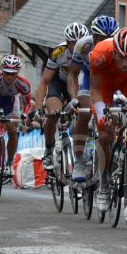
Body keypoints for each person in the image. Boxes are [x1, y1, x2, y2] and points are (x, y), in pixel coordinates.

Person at [89, 27, 127, 213]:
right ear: (114, 51)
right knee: (104, 134)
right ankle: (103, 182)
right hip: (105, 86)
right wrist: (102, 114)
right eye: (121, 58)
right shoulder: (100, 53)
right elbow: (95, 89)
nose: (125, 63)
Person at [67, 16, 118, 182]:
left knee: (114, 120)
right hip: (88, 81)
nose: (107, 43)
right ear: (94, 37)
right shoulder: (83, 45)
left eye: (111, 39)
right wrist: (74, 99)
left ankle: (113, 153)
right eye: (102, 39)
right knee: (84, 113)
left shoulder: (121, 44)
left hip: (111, 82)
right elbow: (73, 75)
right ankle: (79, 161)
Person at [36, 22, 89, 170]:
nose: (76, 46)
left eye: (80, 42)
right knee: (53, 115)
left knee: (84, 114)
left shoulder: (90, 52)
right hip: (59, 83)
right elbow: (44, 81)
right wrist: (38, 109)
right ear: (67, 42)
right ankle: (48, 149)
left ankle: (83, 150)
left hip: (80, 84)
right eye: (73, 43)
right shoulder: (59, 52)